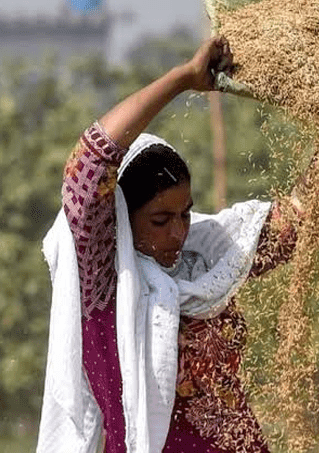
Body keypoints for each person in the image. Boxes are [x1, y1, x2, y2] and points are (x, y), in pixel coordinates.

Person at [37, 36, 300, 453]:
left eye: (185, 214)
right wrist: (182, 79)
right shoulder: (106, 284)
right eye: (160, 220)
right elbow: (87, 164)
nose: (178, 233)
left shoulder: (203, 263)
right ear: (122, 219)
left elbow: (290, 228)